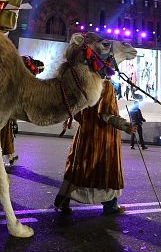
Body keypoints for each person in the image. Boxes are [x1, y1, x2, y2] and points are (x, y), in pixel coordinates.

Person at [54, 80, 134, 215]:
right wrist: (126, 126)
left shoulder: (84, 83)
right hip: (103, 137)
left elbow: (77, 112)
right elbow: (106, 114)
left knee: (79, 169)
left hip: (85, 134)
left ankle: (62, 200)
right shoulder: (105, 85)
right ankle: (111, 206)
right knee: (106, 170)